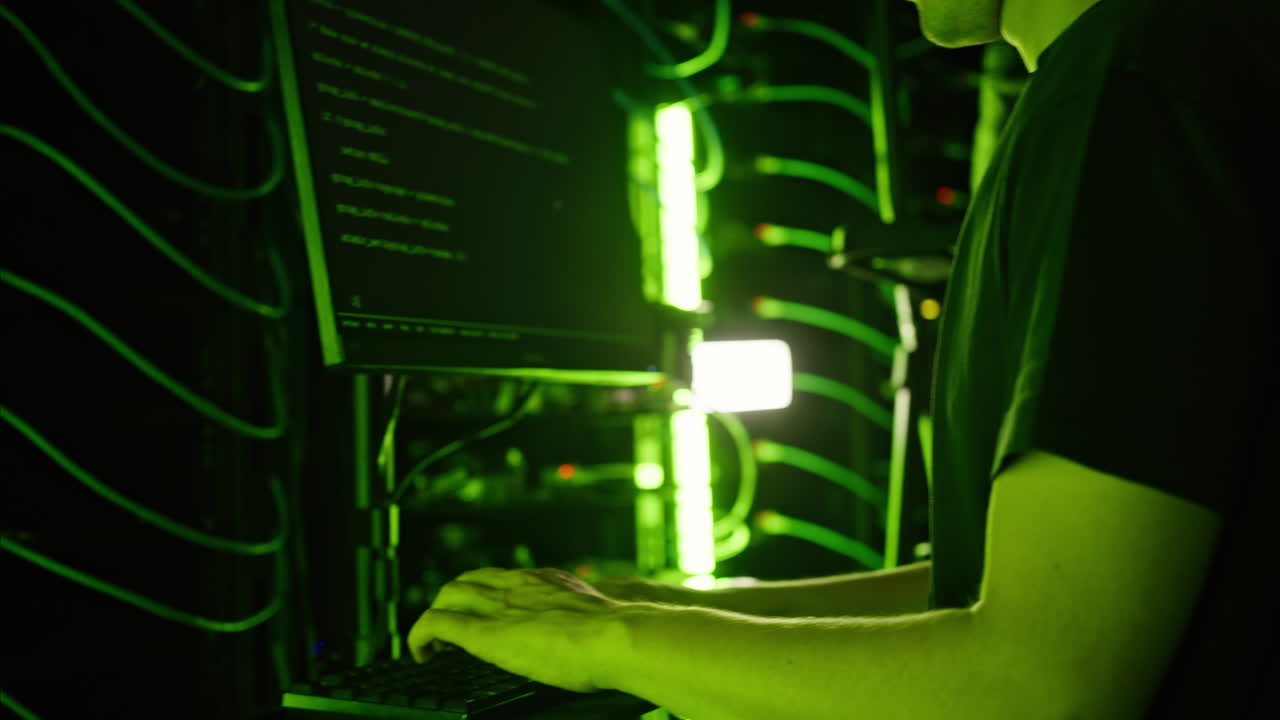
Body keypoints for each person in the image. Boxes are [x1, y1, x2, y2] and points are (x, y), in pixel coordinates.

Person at [407, 0, 1276, 717]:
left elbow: (1035, 686)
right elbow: (987, 585)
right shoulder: (1127, 73)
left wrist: (606, 645)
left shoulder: (1136, 91)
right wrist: (660, 611)